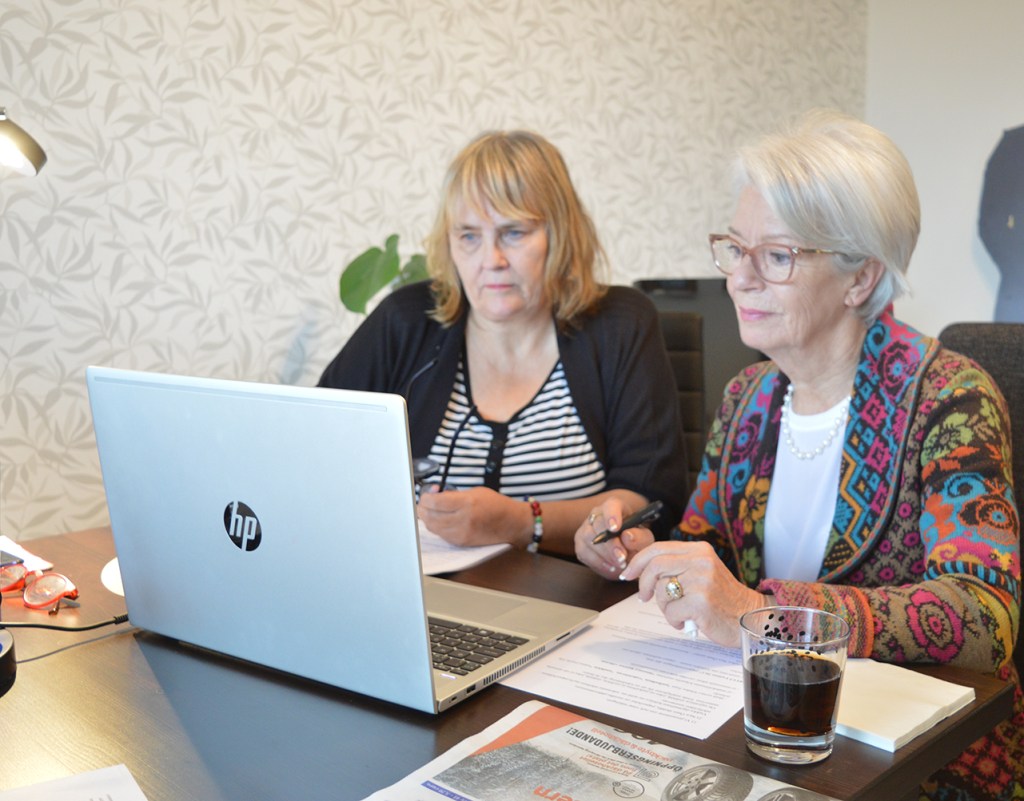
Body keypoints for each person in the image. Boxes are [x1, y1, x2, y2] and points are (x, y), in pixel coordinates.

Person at [575, 110, 1021, 801]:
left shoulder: (952, 399)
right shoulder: (747, 398)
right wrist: (645, 554)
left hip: (912, 760)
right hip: (759, 725)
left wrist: (766, 613)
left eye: (777, 256)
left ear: (860, 277)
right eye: (735, 248)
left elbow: (985, 615)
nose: (740, 279)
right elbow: (706, 547)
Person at [319, 130, 688, 556]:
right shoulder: (406, 320)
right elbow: (313, 445)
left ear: (560, 235)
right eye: (468, 236)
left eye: (513, 233)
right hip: (428, 592)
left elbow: (650, 499)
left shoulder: (619, 325)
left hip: (572, 592)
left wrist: (522, 522)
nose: (490, 261)